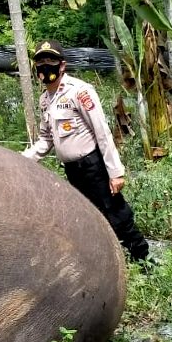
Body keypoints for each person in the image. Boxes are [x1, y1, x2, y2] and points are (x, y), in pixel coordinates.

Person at [22, 40, 150, 263]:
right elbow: (46, 139)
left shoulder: (79, 92)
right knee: (87, 216)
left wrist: (115, 172)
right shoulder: (45, 100)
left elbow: (102, 132)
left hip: (93, 166)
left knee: (115, 214)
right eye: (40, 61)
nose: (44, 66)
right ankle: (106, 261)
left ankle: (142, 259)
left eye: (50, 60)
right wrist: (22, 160)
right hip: (72, 171)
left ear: (62, 66)